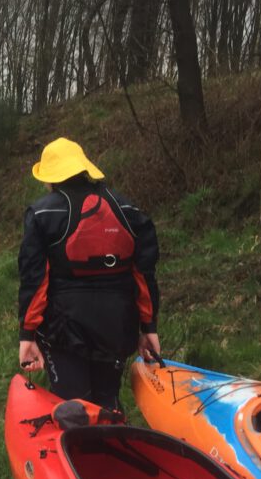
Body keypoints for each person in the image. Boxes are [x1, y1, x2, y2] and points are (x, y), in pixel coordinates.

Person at [17, 137, 161, 411]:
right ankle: (109, 437)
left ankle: (74, 443)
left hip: (64, 329)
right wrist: (149, 327)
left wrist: (27, 335)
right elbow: (144, 274)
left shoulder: (42, 213)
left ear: (51, 178)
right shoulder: (128, 210)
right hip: (118, 326)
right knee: (106, 400)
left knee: (73, 405)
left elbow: (35, 281)